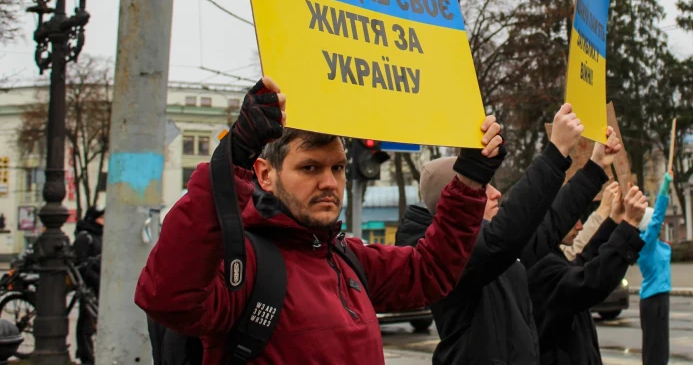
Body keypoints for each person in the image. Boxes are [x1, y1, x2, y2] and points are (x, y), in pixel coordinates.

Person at [135, 77, 506, 364]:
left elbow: (431, 270)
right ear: (264, 174)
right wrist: (231, 157)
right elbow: (169, 297)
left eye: (338, 168)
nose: (329, 182)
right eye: (309, 167)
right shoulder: (241, 262)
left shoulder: (346, 257)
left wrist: (470, 181)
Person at [396, 104, 621, 364]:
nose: (495, 194)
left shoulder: (492, 251)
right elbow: (503, 237)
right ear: (458, 198)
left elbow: (547, 225)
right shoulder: (449, 256)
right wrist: (556, 152)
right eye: (482, 186)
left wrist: (595, 168)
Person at [525, 149, 649, 365]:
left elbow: (580, 264)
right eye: (570, 216)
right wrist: (628, 226)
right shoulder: (539, 263)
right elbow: (588, 281)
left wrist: (614, 222)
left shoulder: (547, 255)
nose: (578, 224)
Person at [637, 171, 674, 365]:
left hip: (660, 299)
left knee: (660, 348)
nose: (659, 226)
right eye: (655, 224)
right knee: (655, 350)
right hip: (654, 300)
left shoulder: (657, 244)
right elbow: (658, 216)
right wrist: (665, 186)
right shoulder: (645, 243)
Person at [74, 206, 104, 365]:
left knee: (93, 321)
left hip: (99, 283)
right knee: (86, 322)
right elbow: (83, 264)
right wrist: (96, 281)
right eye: (102, 217)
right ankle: (86, 356)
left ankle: (87, 353)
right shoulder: (85, 237)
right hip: (89, 285)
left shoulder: (101, 234)